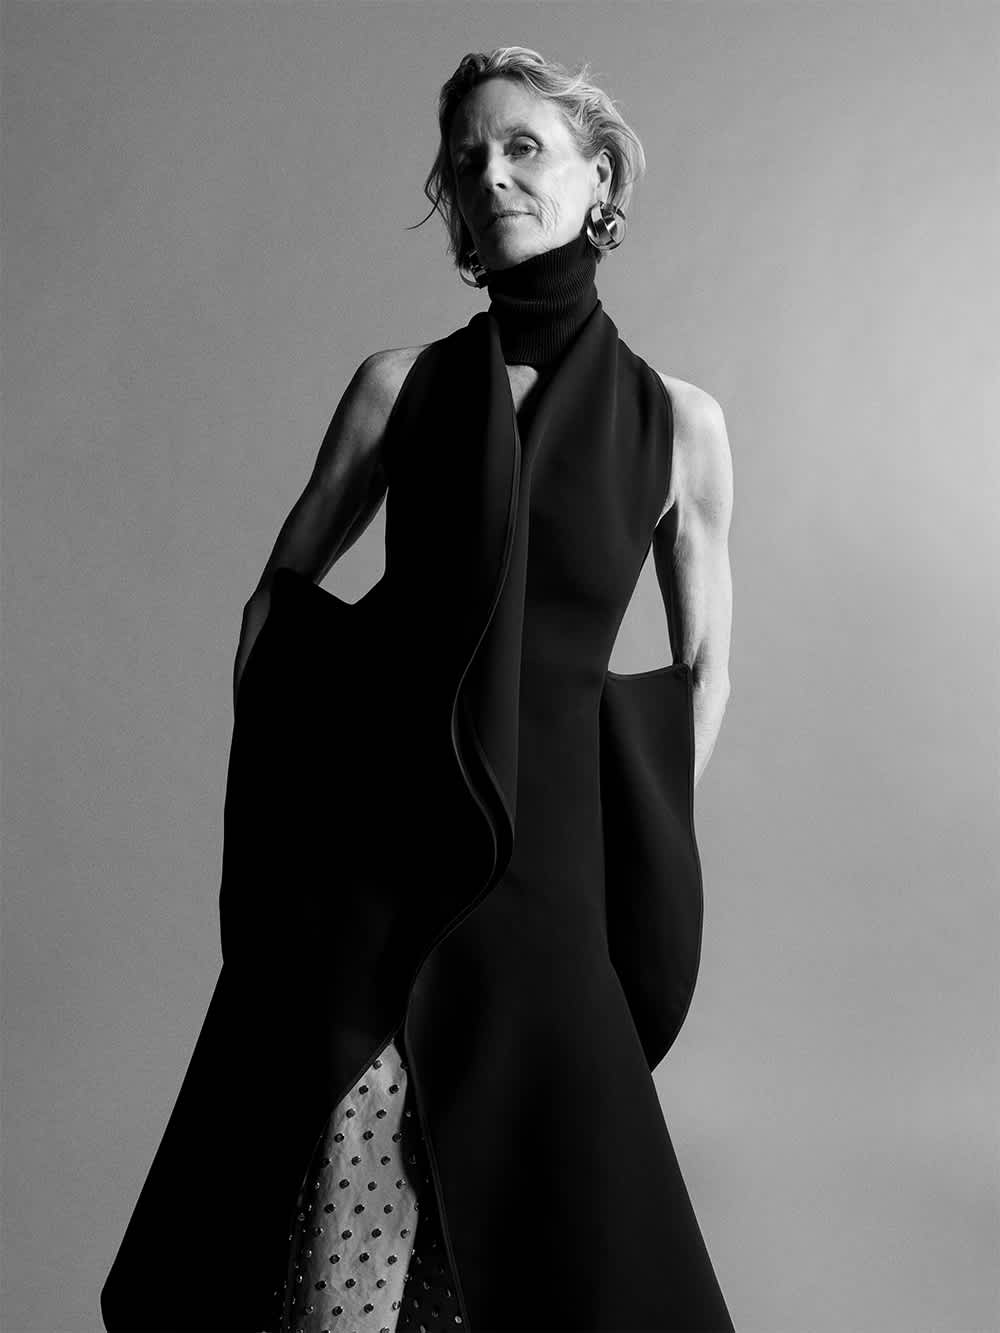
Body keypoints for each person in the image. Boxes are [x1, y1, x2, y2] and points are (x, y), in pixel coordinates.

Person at [101, 45, 735, 1333]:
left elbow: (704, 662)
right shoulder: (399, 386)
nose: (490, 176)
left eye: (523, 147)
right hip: (379, 865)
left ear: (598, 177)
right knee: (349, 1189)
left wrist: (620, 820)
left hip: (550, 882)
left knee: (536, 1217)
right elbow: (278, 607)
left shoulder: (681, 423)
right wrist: (321, 795)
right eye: (466, 159)